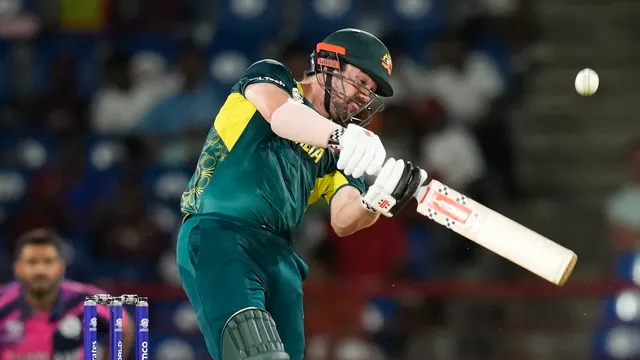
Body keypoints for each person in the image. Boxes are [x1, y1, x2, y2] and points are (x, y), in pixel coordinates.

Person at [176, 28, 428, 360]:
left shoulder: (337, 153)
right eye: (361, 82)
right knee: (257, 355)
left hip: (280, 258)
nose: (364, 97)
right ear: (328, 62)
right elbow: (280, 116)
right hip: (220, 235)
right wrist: (340, 137)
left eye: (371, 92)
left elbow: (344, 219)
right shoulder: (273, 77)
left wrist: (379, 199)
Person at [0, 229, 134, 360]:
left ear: (61, 267)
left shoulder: (84, 300)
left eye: (48, 262)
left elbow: (123, 325)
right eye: (32, 262)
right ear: (18, 268)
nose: (40, 270)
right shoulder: (3, 301)